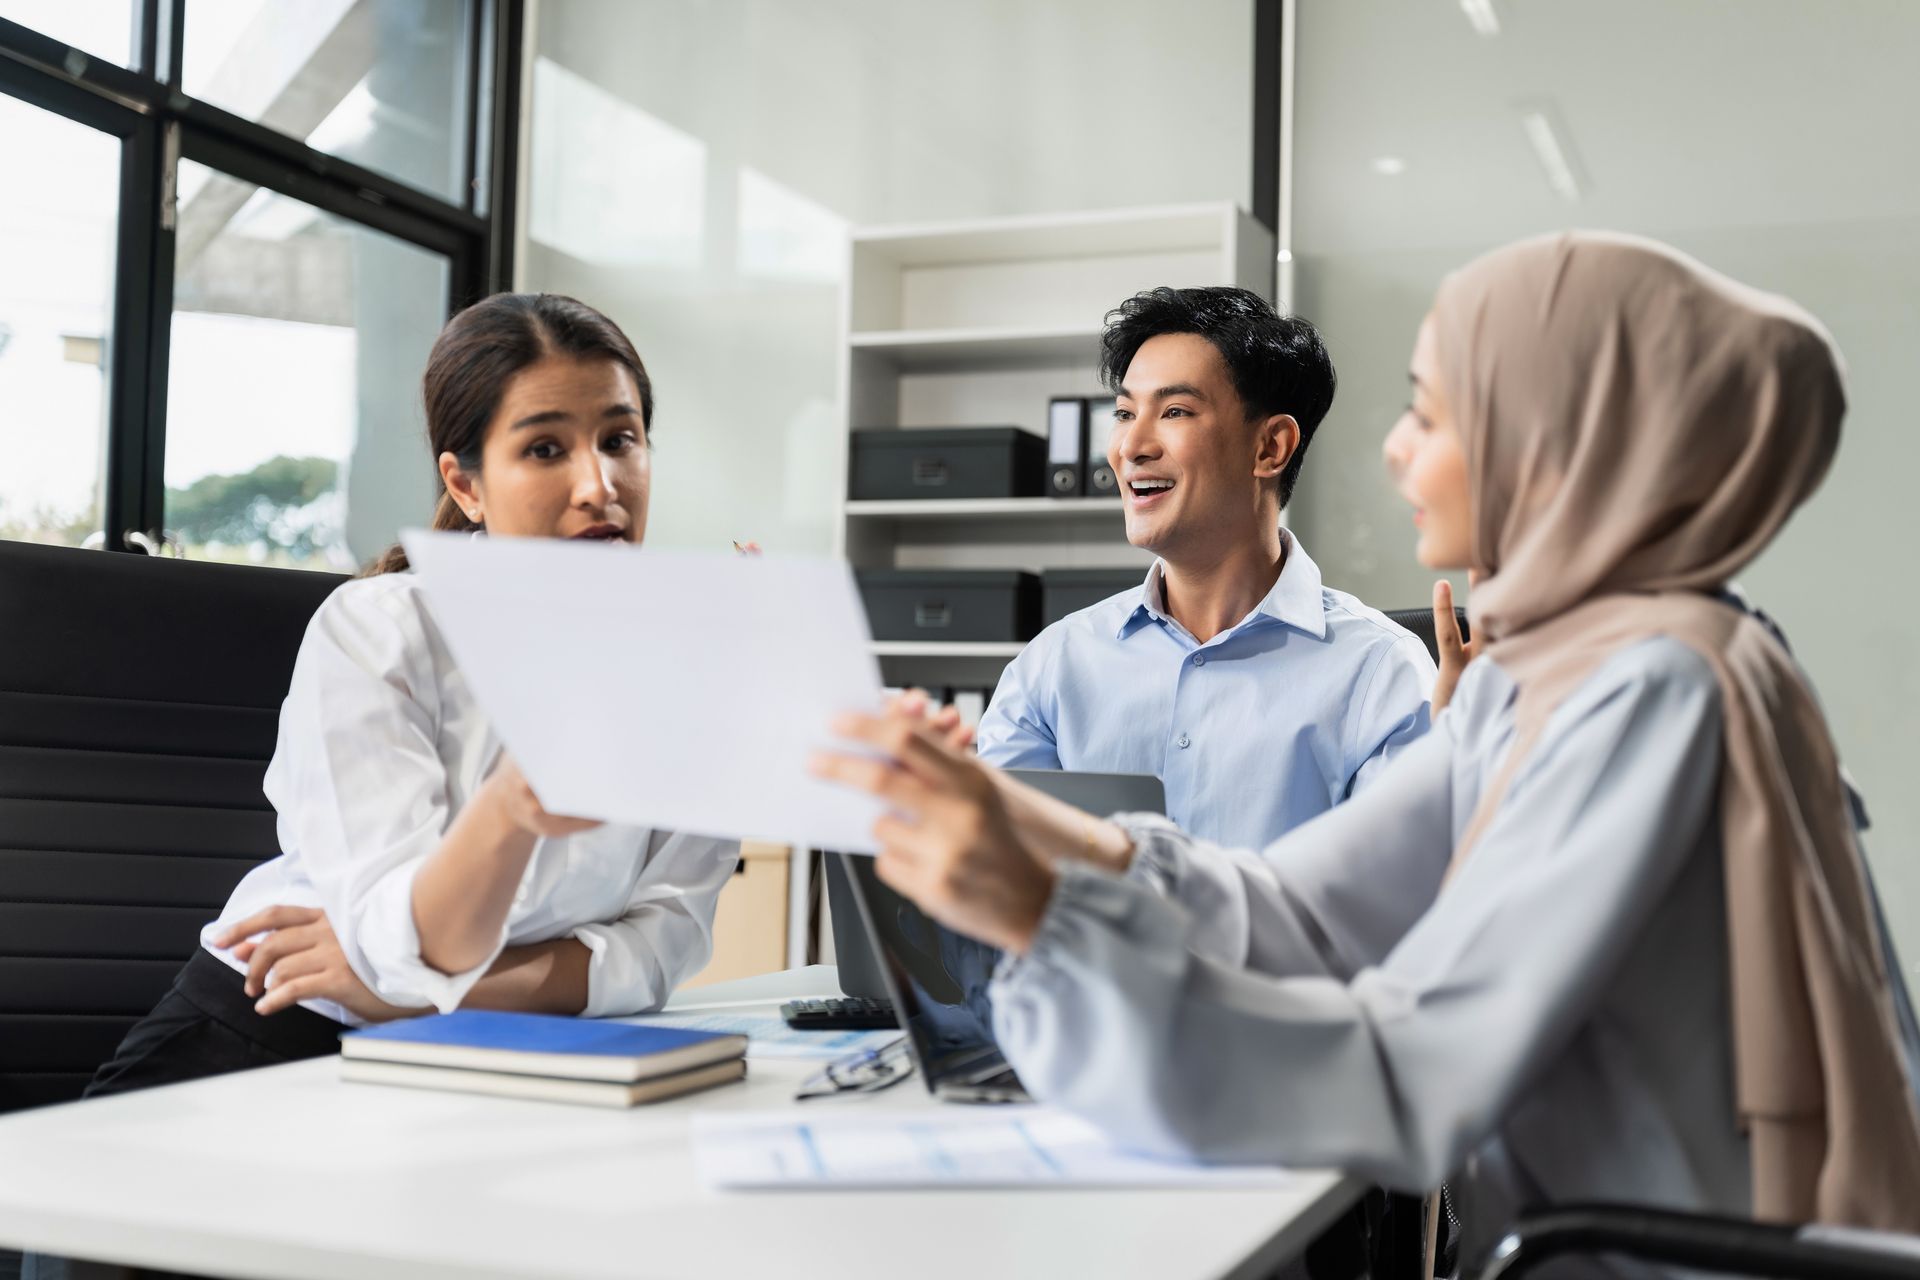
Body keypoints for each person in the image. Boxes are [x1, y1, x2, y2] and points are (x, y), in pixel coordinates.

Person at [814, 233, 1920, 1266]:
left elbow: (1417, 1067)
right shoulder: (1546, 679)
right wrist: (1010, 817)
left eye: (1431, 415)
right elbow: (1294, 911)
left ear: (1556, 440)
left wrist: (1046, 924)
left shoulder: (1658, 686)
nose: (1394, 448)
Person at [84, 292, 740, 1097]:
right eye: (544, 449)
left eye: (620, 438)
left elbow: (661, 946)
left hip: (510, 1053)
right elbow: (410, 942)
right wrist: (506, 815)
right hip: (277, 1033)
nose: (598, 485)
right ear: (466, 486)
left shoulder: (696, 665)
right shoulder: (380, 630)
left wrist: (411, 988)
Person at [976, 287, 1435, 849]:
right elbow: (1000, 895)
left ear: (1270, 447)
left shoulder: (1381, 674)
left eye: (1174, 411)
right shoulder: (1053, 667)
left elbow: (1391, 908)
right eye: (1124, 413)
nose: (1130, 446)